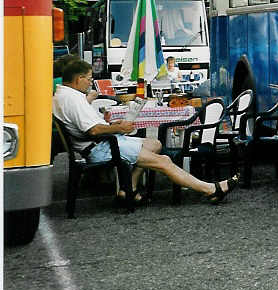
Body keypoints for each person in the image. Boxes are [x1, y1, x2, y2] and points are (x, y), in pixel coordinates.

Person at [53, 59, 238, 204]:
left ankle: (129, 189)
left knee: (155, 144)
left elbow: (89, 126)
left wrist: (113, 125)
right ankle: (211, 189)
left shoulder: (62, 96)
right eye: (89, 78)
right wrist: (119, 127)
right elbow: (93, 130)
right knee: (164, 161)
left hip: (100, 144)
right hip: (101, 147)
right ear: (79, 79)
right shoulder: (74, 99)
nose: (91, 82)